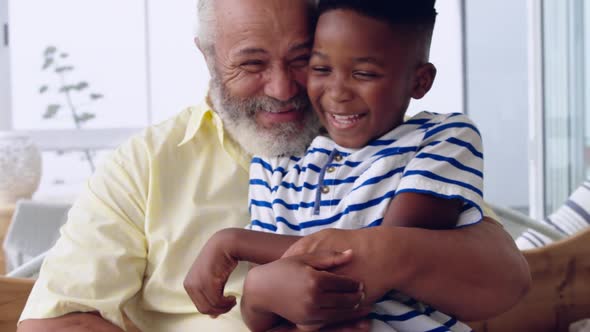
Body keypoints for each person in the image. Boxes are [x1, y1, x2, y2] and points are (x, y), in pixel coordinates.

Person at [17, 0, 530, 331]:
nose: (283, 89)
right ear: (208, 56)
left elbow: (503, 272)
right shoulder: (147, 163)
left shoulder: (372, 138)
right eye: (252, 63)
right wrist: (259, 296)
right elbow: (54, 322)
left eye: (303, 58)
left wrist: (242, 256)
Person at [188, 1, 482, 331]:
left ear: (420, 81)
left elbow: (382, 258)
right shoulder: (276, 163)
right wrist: (258, 292)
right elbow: (264, 316)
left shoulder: (441, 140)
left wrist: (233, 244)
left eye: (364, 74)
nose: (337, 93)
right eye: (321, 69)